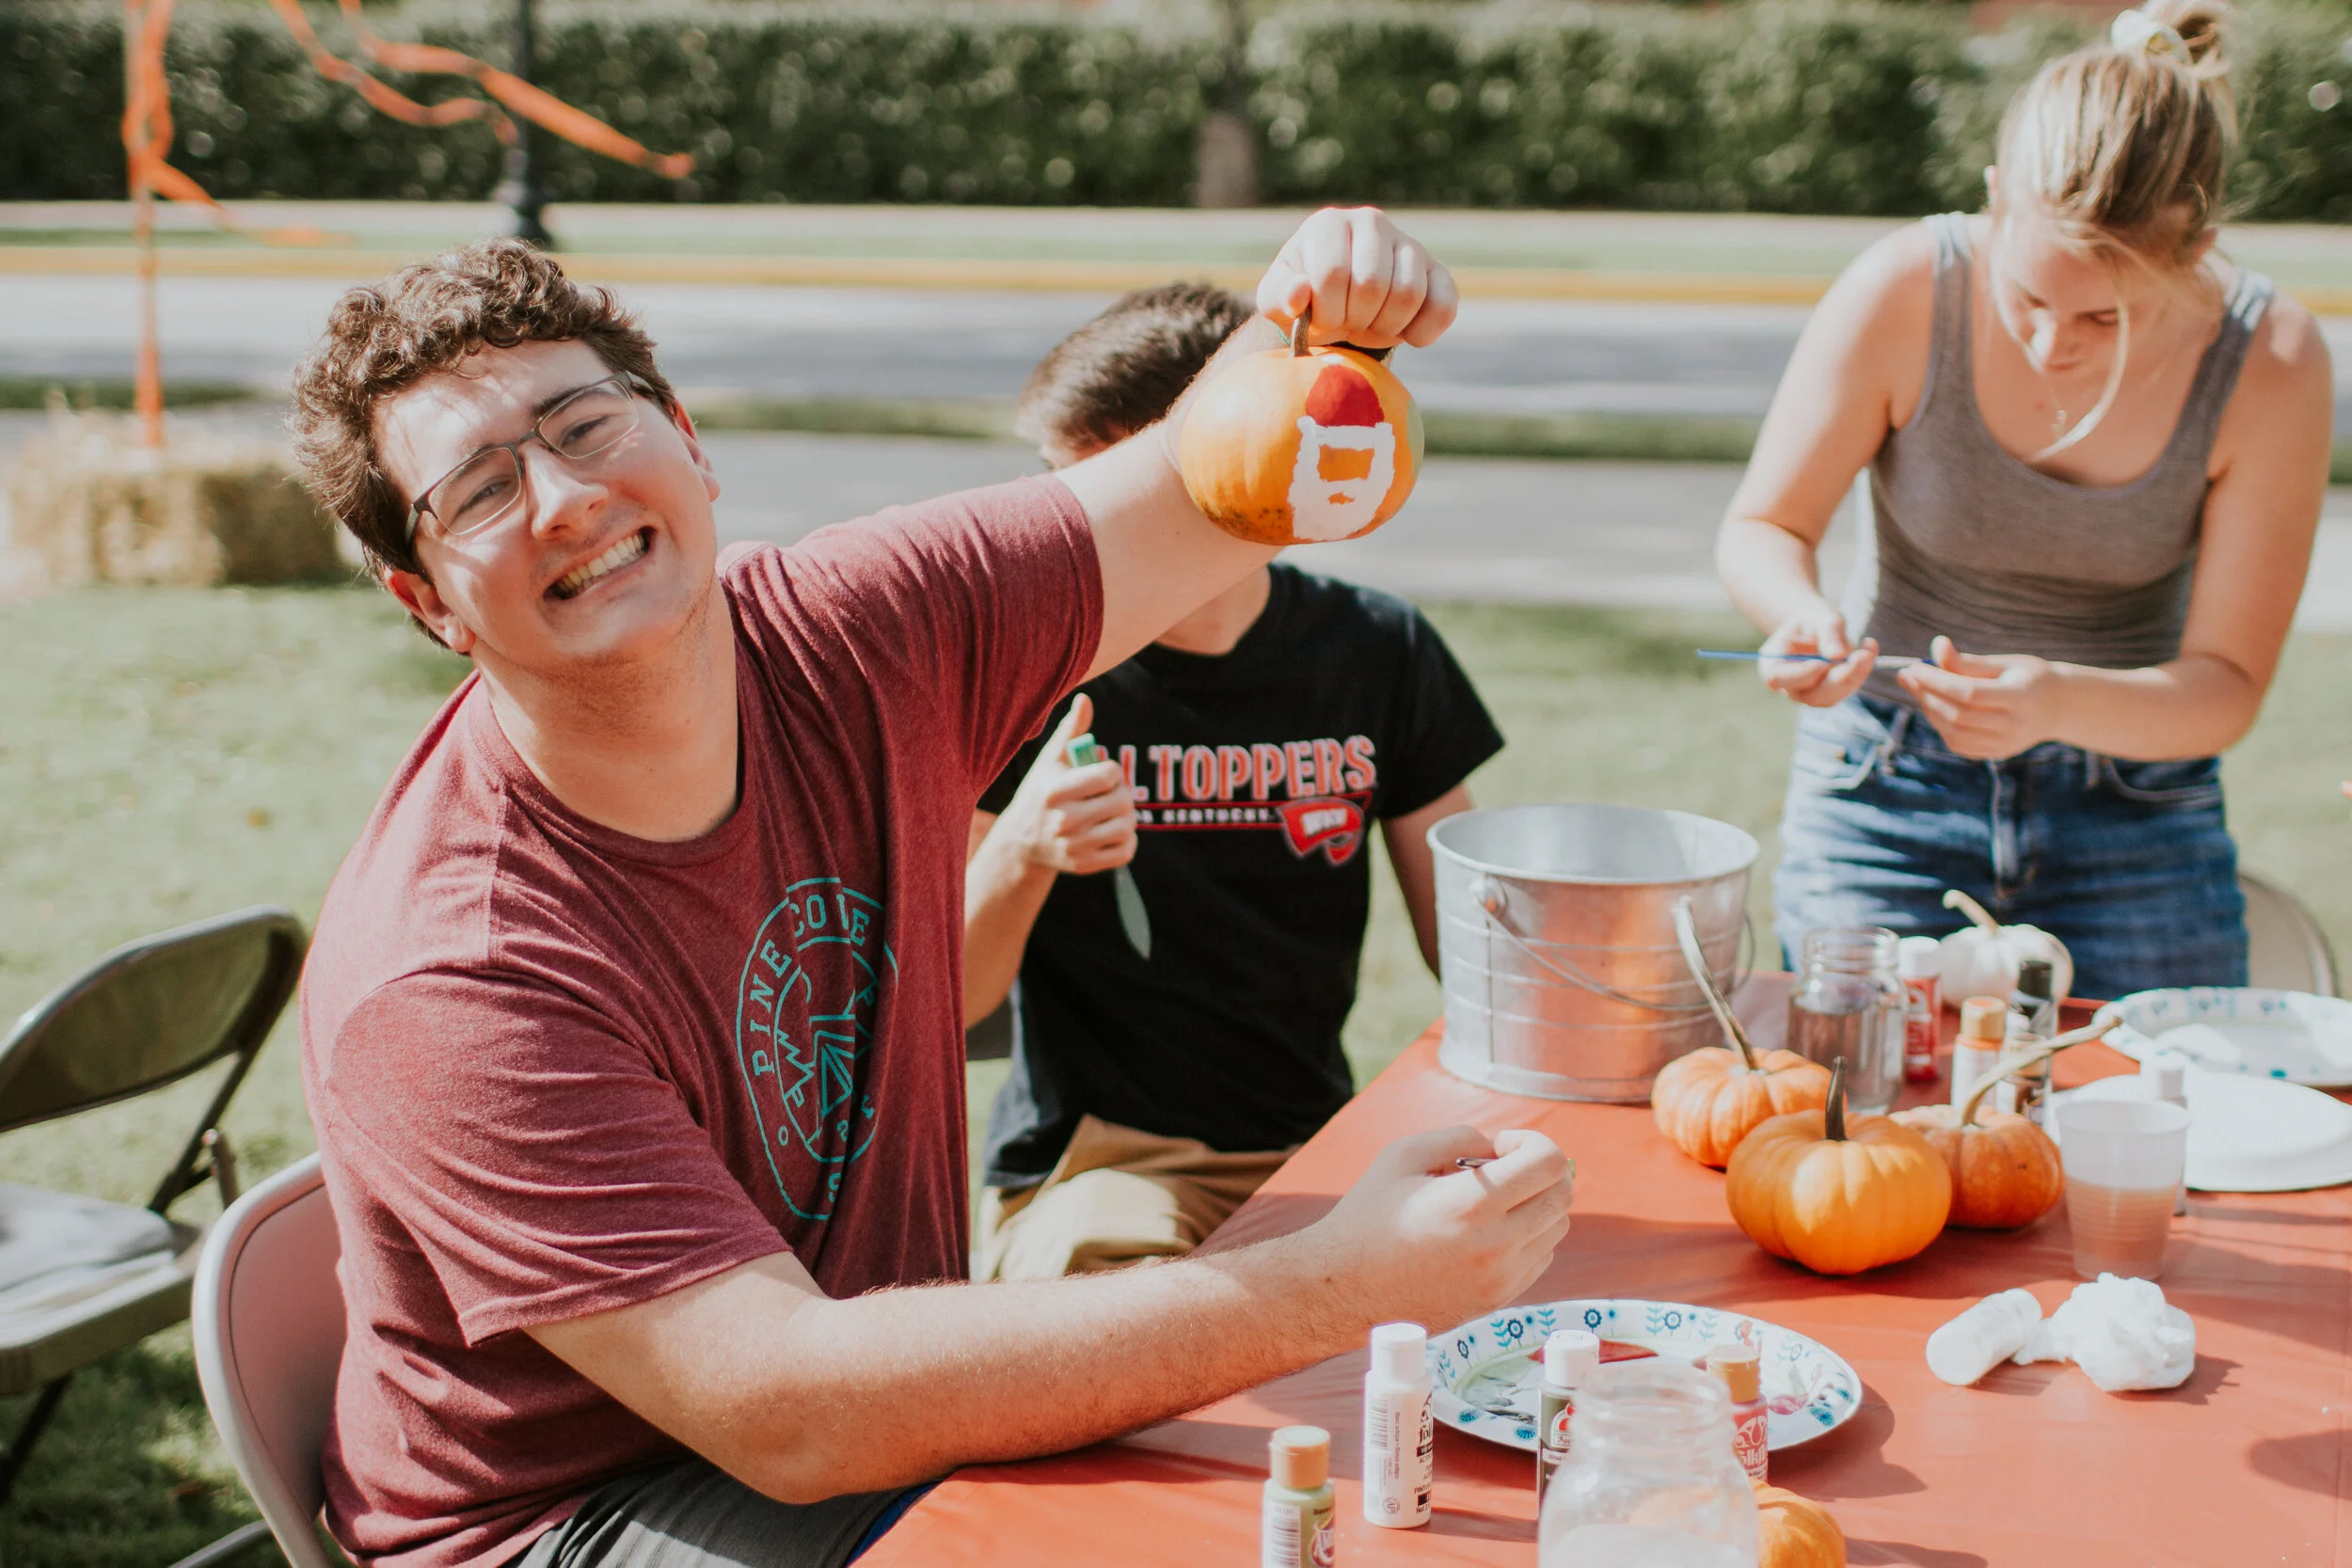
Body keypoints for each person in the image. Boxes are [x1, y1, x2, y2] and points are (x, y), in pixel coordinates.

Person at [288, 211, 1573, 1568]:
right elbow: (786, 1407)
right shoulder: (452, 969)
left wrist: (1309, 314)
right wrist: (1338, 1282)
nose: (562, 496)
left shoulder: (863, 632)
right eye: (478, 491)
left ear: (686, 436)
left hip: (856, 1417)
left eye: (585, 425)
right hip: (576, 1515)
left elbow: (1216, 486)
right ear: (427, 599)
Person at [1714, 0, 2332, 998]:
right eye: (2027, 299)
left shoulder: (2271, 360)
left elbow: (2225, 687)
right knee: (1861, 1118)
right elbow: (1763, 526)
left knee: (2166, 1114)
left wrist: (2051, 700)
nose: (2053, 345)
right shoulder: (1904, 290)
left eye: (2105, 315)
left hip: (2134, 804)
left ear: (2197, 248)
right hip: (1883, 788)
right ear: (1995, 197)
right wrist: (1795, 614)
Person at [964, 284, 1504, 1282]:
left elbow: (1473, 957)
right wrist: (1023, 847)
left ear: (1216, 461)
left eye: (1081, 484)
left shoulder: (1375, 646)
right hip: (1100, 1163)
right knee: (1114, 1333)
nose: (1054, 522)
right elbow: (948, 1002)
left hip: (1324, 1145)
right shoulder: (1027, 666)